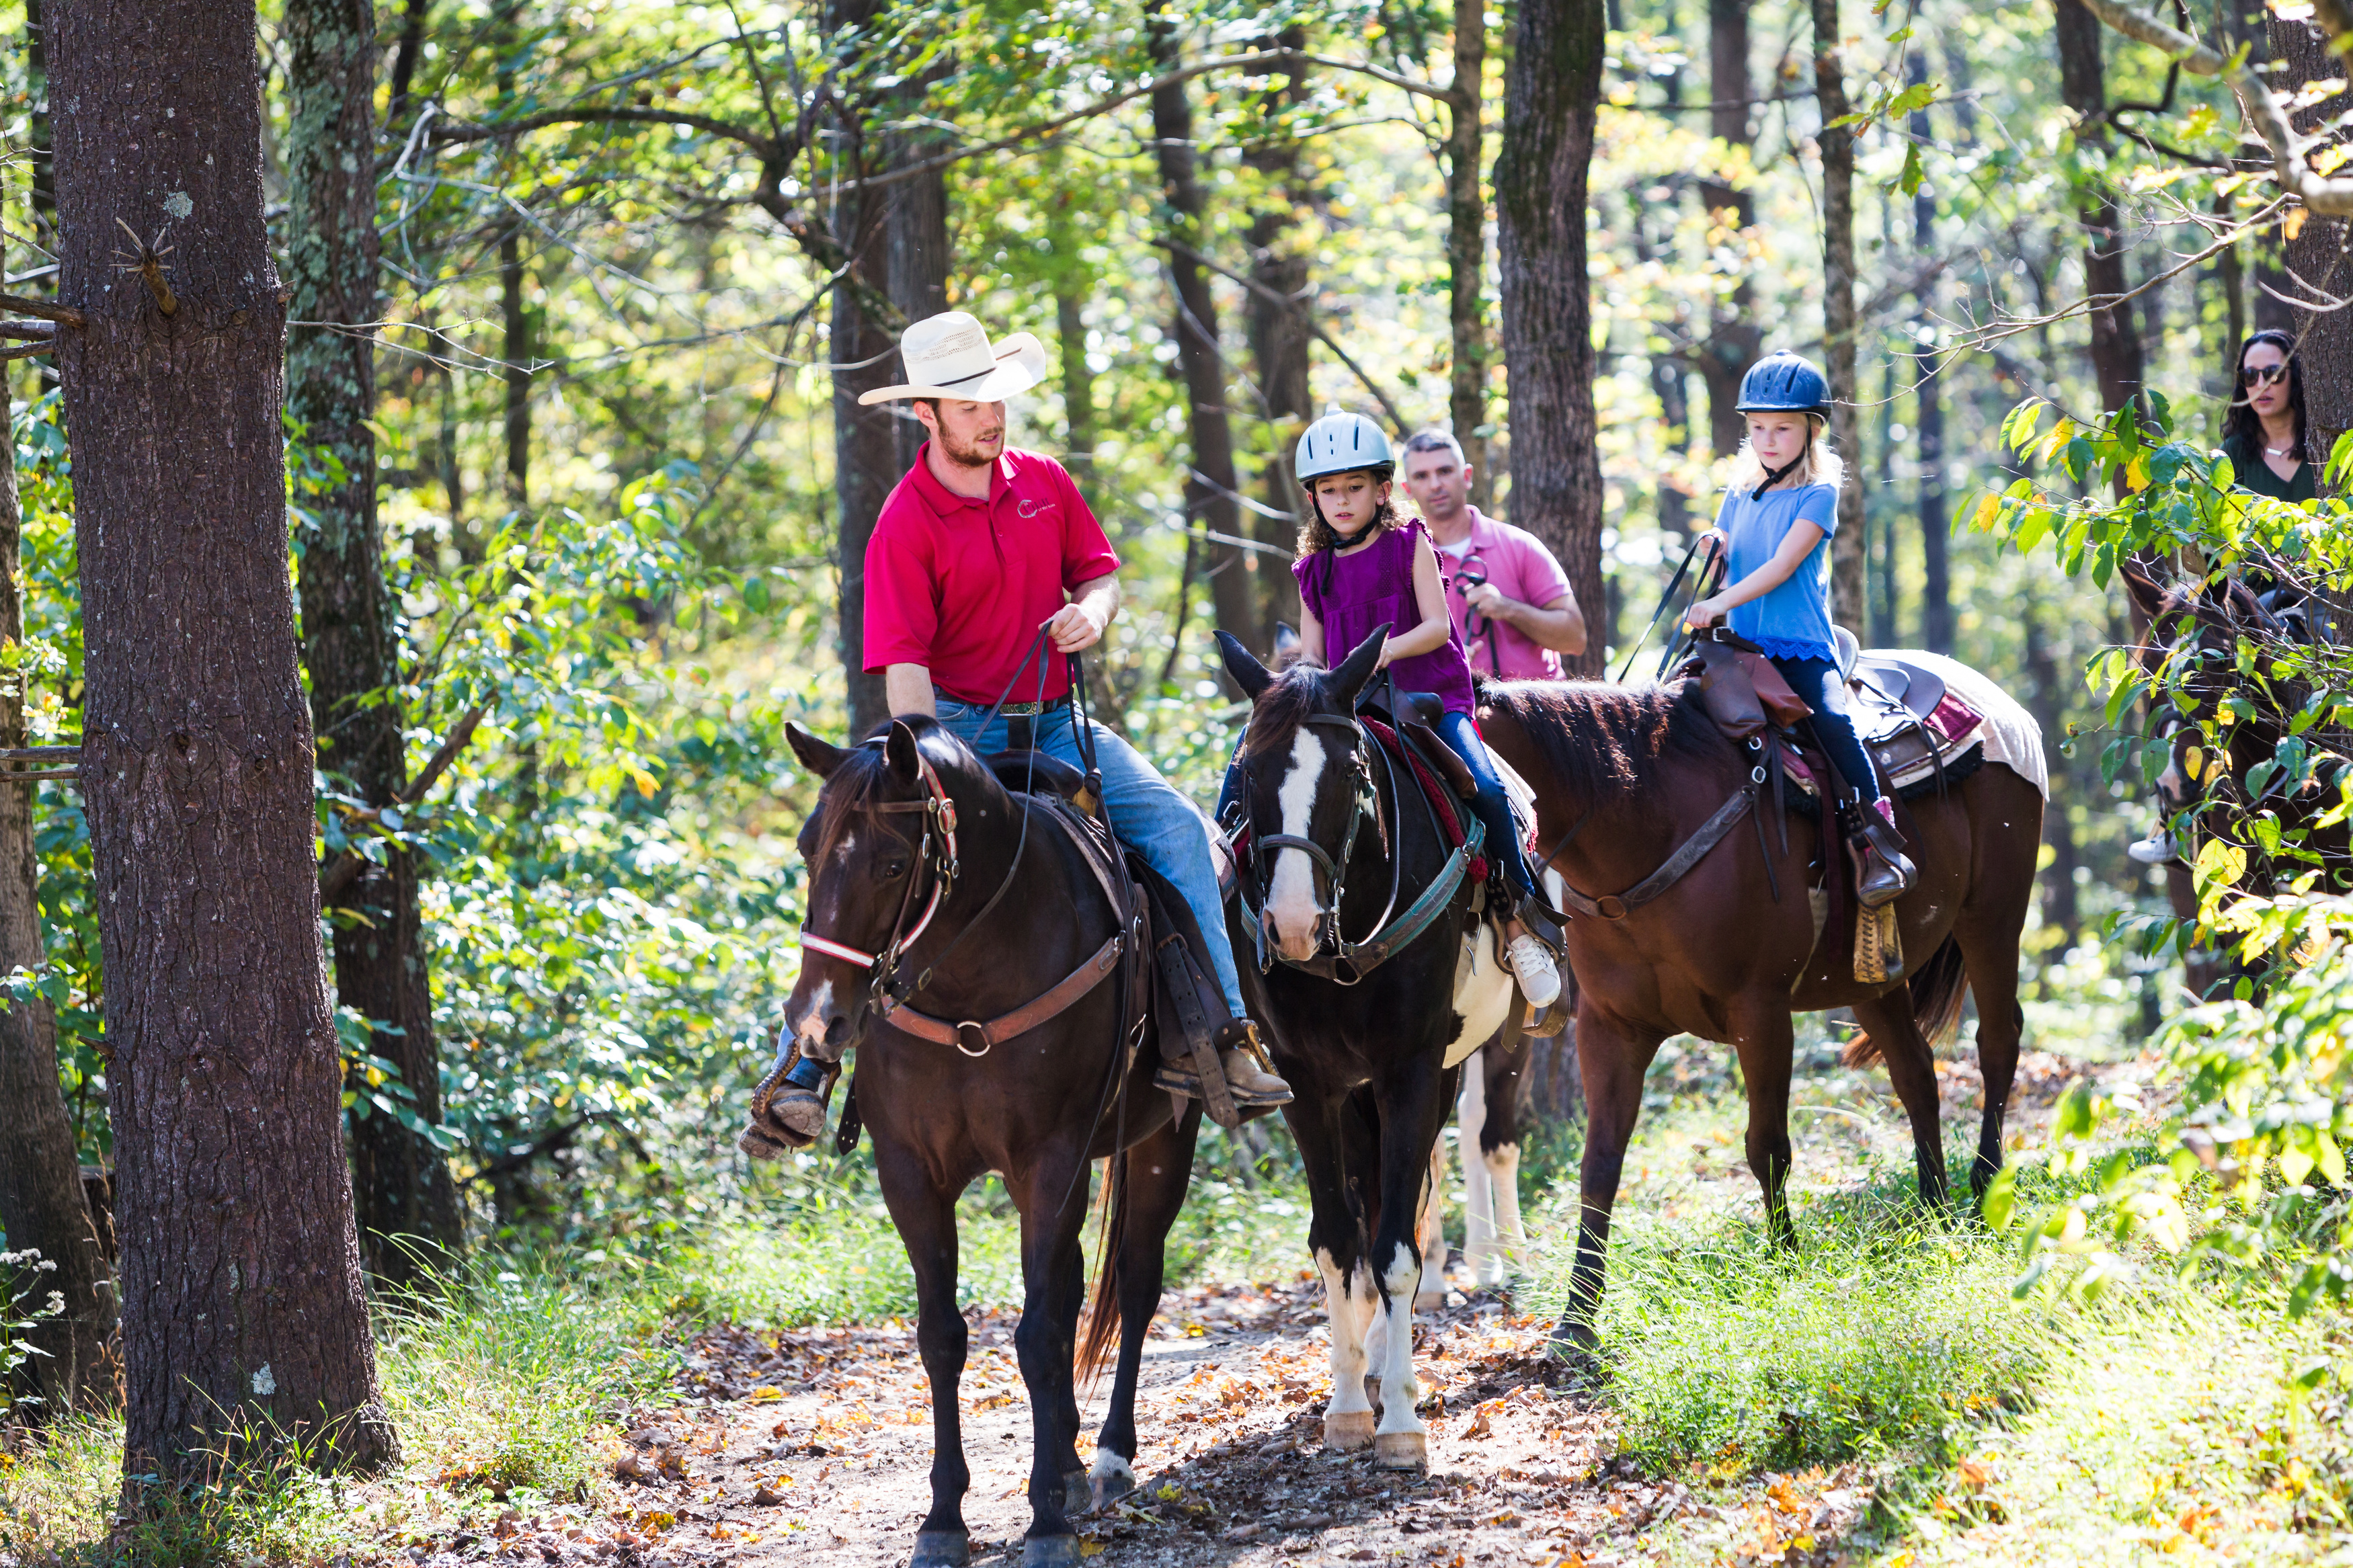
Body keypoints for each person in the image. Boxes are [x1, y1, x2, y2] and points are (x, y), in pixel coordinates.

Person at [769, 311, 1291, 1136]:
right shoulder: (902, 522)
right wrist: (925, 764)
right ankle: (805, 1063)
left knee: (1180, 831)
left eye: (993, 397)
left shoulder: (1043, 481)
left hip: (1052, 725)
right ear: (925, 414)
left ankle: (1223, 1036)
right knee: (855, 846)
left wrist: (1092, 612)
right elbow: (904, 669)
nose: (988, 413)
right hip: (952, 728)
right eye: (965, 401)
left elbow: (1099, 576)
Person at [1234, 409, 1565, 1008]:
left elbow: (1438, 628)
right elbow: (1311, 656)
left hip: (1427, 701)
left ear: (1383, 489)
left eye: (1354, 487)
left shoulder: (1410, 544)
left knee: (1485, 789)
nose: (1341, 501)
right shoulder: (1313, 571)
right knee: (1252, 777)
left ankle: (1520, 922)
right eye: (1328, 491)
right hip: (1350, 707)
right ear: (1313, 497)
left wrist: (1377, 653)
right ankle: (1246, 911)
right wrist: (1303, 688)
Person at [1685, 352, 1915, 907]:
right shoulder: (1739, 492)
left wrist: (1717, 603)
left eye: (1782, 428)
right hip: (1739, 649)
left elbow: (1780, 568)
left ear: (1812, 431)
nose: (1767, 440)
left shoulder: (1819, 495)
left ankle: (1876, 839)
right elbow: (1731, 555)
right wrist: (1713, 551)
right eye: (1758, 427)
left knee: (1835, 724)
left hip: (1800, 649)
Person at [1398, 431, 1588, 679]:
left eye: (1445, 471)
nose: (1435, 485)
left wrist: (1508, 609)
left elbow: (1576, 639)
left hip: (1536, 707)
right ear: (1407, 488)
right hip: (1451, 711)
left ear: (1467, 476)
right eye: (1421, 476)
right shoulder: (1402, 561)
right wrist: (1443, 660)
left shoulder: (1519, 545)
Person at [2219, 330, 2317, 504]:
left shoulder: (2324, 443)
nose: (2261, 385)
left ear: (2296, 375)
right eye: (2250, 375)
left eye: (2273, 373)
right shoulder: (2232, 453)